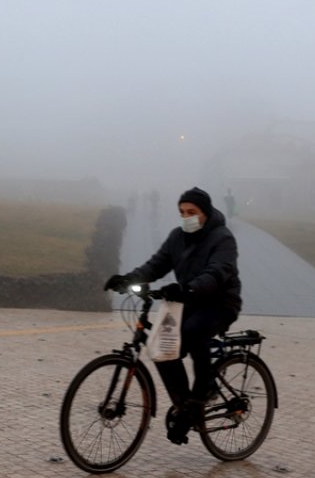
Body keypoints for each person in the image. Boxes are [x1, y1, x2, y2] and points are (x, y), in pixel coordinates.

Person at [103, 186, 242, 445]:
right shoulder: (177, 236)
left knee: (192, 332)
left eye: (192, 211)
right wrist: (128, 279)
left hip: (219, 303)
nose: (186, 216)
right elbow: (157, 264)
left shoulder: (223, 238)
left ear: (206, 212)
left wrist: (188, 288)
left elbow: (218, 272)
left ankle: (201, 395)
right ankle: (184, 405)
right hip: (187, 301)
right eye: (182, 212)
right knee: (160, 347)